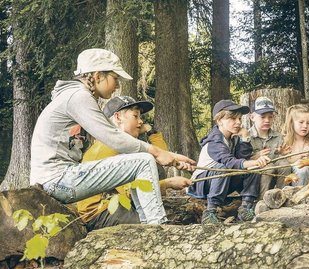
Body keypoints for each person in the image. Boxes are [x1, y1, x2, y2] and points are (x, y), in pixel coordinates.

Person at [30, 48, 195, 225]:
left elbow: (114, 135)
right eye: (115, 79)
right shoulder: (77, 96)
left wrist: (172, 157)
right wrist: (155, 152)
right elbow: (113, 137)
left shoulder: (75, 97)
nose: (117, 86)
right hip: (57, 179)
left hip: (57, 179)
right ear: (98, 75)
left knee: (140, 162)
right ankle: (157, 226)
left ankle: (149, 226)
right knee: (143, 161)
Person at [76, 96, 192, 231]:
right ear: (118, 117)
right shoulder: (109, 147)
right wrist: (169, 183)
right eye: (135, 116)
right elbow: (130, 190)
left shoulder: (121, 145)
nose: (141, 121)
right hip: (101, 212)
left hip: (116, 205)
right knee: (152, 229)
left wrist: (152, 133)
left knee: (154, 167)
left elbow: (161, 158)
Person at [187, 100, 270, 224]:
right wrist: (255, 162)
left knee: (251, 169)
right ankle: (211, 211)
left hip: (223, 181)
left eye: (239, 119)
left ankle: (246, 207)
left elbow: (243, 158)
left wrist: (245, 138)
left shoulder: (233, 137)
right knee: (224, 167)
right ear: (219, 120)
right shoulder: (214, 141)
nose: (238, 123)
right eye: (232, 119)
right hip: (202, 184)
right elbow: (230, 162)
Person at [245, 97, 290, 196]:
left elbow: (279, 159)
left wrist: (281, 154)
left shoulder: (278, 137)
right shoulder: (247, 137)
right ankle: (261, 200)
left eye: (270, 117)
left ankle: (281, 195)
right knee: (268, 167)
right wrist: (255, 156)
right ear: (252, 117)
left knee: (284, 163)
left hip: (274, 174)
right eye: (262, 117)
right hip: (254, 178)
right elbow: (242, 159)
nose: (267, 120)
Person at [281, 104, 309, 186]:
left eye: (308, 123)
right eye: (301, 122)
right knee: (302, 169)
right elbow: (286, 163)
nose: (305, 126)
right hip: (295, 174)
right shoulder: (286, 141)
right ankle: (298, 195)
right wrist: (300, 156)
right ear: (291, 123)